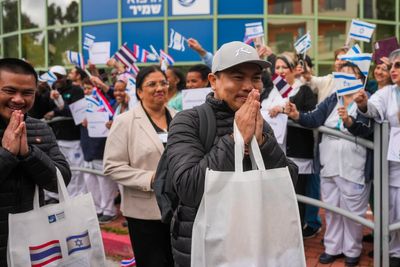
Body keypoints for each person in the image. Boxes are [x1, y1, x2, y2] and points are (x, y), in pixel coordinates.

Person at [165, 41, 298, 267]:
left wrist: (262, 143)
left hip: (256, 243)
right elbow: (188, 187)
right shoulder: (188, 121)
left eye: (255, 78)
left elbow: (289, 181)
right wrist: (235, 140)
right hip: (205, 247)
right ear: (213, 81)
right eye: (237, 77)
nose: (248, 86)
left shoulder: (260, 123)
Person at [286, 62, 373, 266]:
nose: (344, 79)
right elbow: (314, 118)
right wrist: (296, 115)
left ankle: (352, 250)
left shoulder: (366, 100)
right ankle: (333, 247)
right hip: (329, 162)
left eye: (350, 75)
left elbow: (368, 129)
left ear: (360, 79)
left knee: (353, 210)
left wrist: (350, 122)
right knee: (332, 208)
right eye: (341, 75)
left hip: (355, 163)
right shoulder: (333, 98)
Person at [0, 58, 71, 265]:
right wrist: (7, 154)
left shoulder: (40, 128)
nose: (19, 99)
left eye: (27, 93)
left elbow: (61, 179)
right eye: (9, 91)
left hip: (32, 240)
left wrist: (29, 154)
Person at [103, 66, 175, 267]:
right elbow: (112, 166)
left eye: (163, 83)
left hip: (179, 209)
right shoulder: (125, 122)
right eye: (152, 84)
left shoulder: (180, 118)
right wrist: (153, 179)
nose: (159, 88)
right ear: (139, 92)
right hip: (144, 211)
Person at [354, 48, 400, 267]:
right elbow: (372, 109)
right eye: (392, 66)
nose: (393, 70)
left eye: (398, 66)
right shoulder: (387, 92)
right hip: (393, 162)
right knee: (392, 208)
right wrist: (363, 103)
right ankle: (394, 252)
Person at [81, 78, 118, 224]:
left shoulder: (109, 104)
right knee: (90, 181)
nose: (87, 91)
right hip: (87, 148)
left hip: (102, 149)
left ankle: (109, 210)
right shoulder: (83, 105)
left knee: (104, 181)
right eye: (85, 88)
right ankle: (96, 209)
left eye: (90, 88)